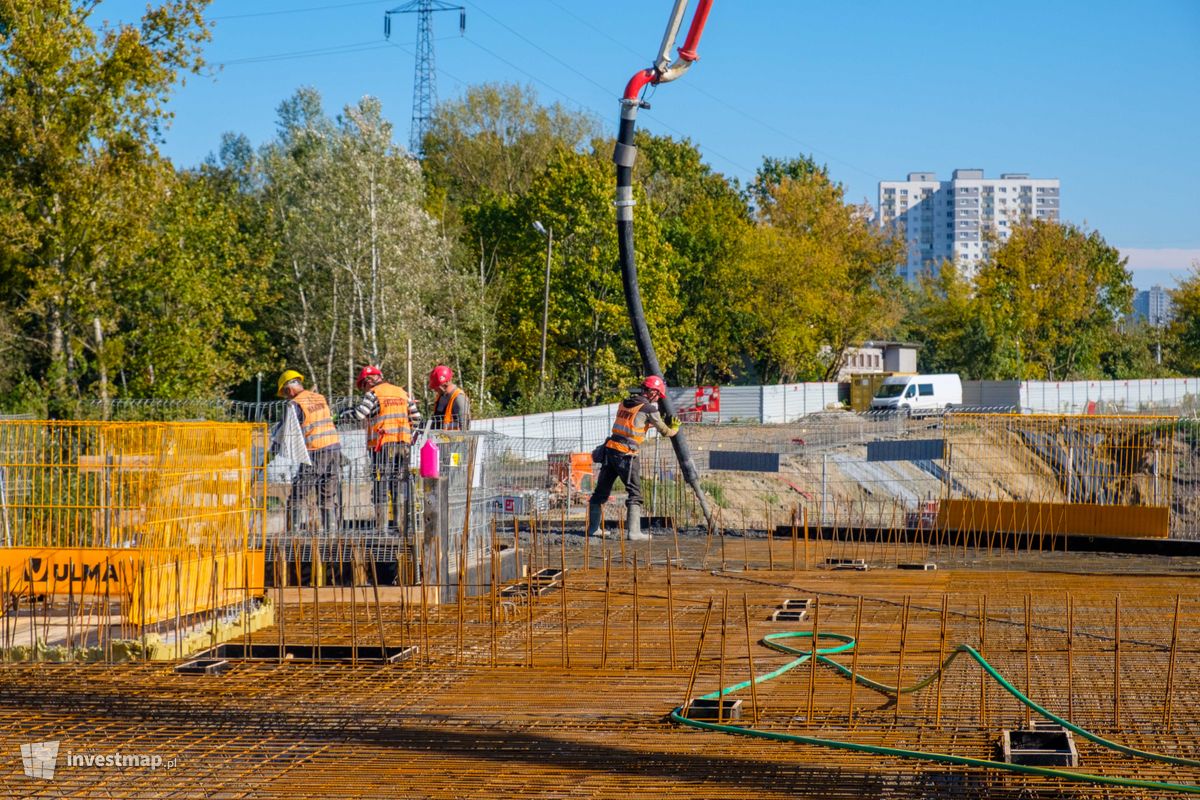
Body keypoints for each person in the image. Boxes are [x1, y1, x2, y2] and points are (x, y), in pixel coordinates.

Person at [587, 375, 679, 541]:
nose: (658, 398)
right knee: (634, 493)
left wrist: (648, 423)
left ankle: (593, 529)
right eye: (658, 395)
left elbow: (632, 423)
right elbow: (665, 431)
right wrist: (675, 428)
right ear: (652, 392)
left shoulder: (625, 403)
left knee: (600, 493)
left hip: (610, 450)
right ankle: (634, 532)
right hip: (626, 454)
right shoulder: (649, 409)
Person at [340, 365, 421, 535]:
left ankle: (381, 529)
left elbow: (360, 414)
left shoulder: (373, 394)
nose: (364, 391)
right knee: (398, 483)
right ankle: (401, 526)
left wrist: (343, 414)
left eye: (363, 386)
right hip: (403, 445)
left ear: (368, 382)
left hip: (382, 445)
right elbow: (417, 418)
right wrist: (408, 434)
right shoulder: (402, 392)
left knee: (381, 483)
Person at [273, 369, 342, 533]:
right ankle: (331, 533)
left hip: (316, 450)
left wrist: (273, 449)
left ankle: (294, 533)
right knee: (327, 494)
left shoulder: (295, 404)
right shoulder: (320, 398)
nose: (286, 397)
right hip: (334, 448)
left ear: (288, 390)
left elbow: (284, 430)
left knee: (299, 491)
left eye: (285, 394)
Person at [428, 365, 471, 431]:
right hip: (439, 440)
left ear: (446, 383)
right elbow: (436, 422)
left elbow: (465, 428)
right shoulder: (440, 397)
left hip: (454, 440)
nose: (434, 389)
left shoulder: (459, 398)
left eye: (436, 386)